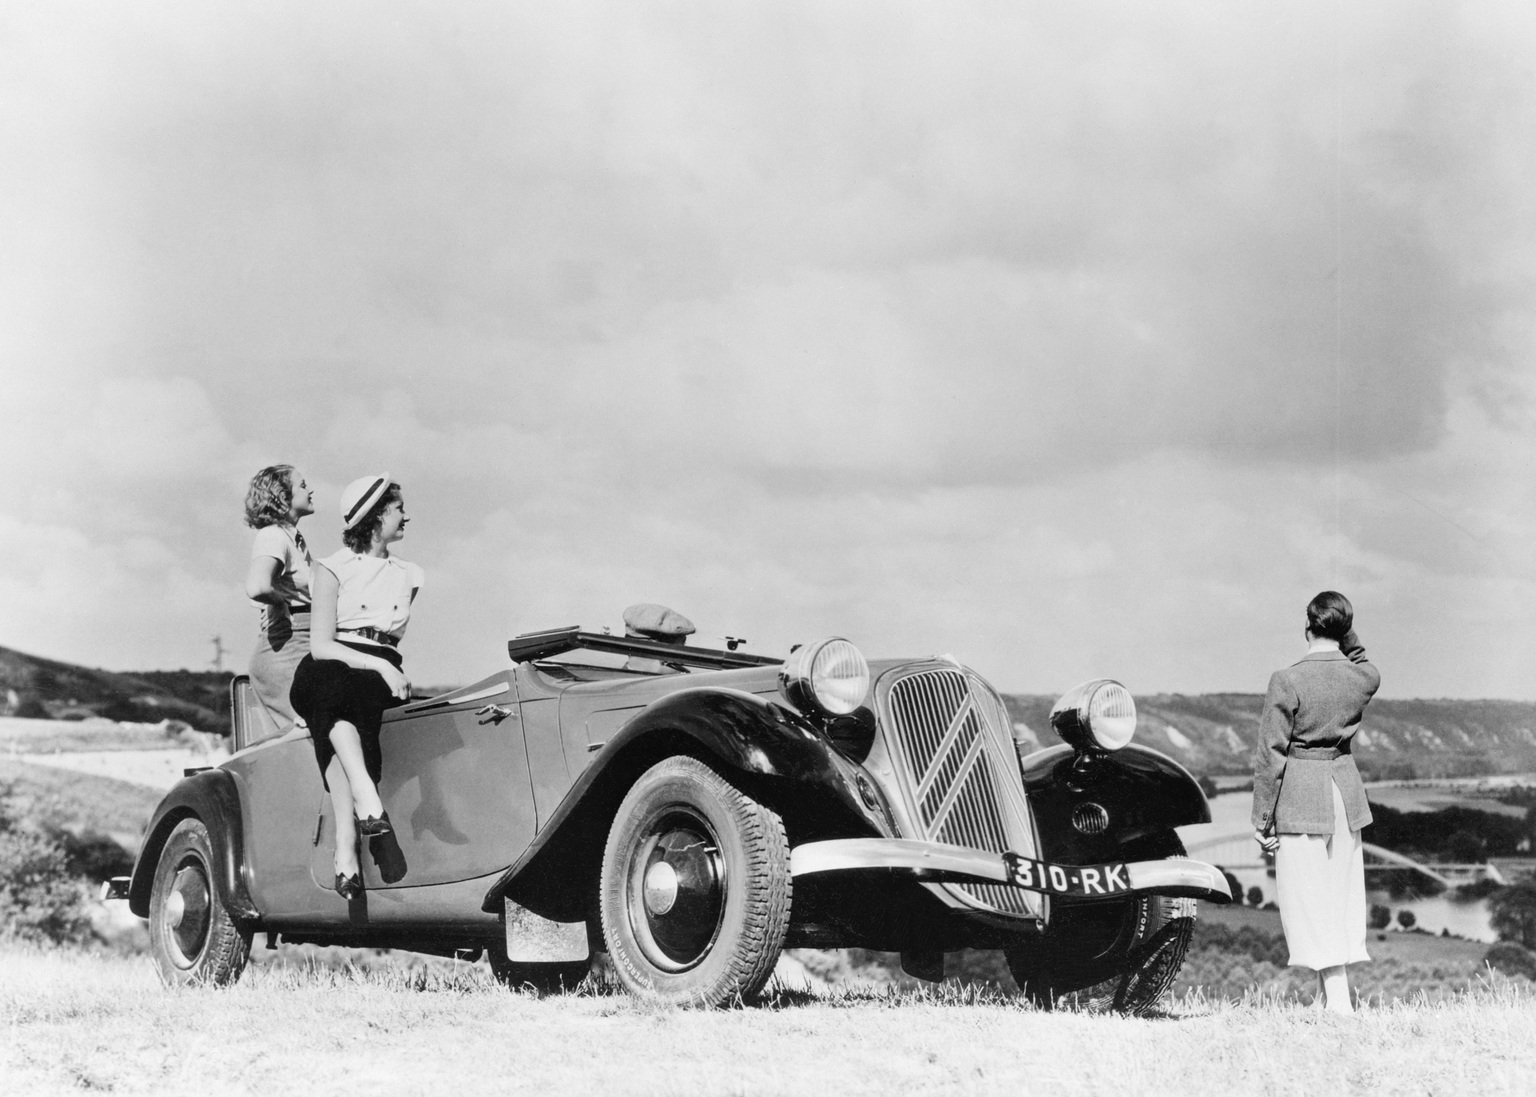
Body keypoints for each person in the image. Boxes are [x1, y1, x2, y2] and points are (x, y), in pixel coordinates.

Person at [289, 474, 423, 900]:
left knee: (336, 710)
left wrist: (384, 669)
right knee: (328, 684)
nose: (406, 516)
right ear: (375, 515)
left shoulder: (410, 574)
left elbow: (388, 642)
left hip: (375, 672)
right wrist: (378, 667)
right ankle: (368, 799)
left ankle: (346, 850)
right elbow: (323, 645)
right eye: (398, 508)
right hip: (332, 662)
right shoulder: (329, 569)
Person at [1251, 591, 1380, 1014]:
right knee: (1339, 894)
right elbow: (1360, 657)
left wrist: (1262, 819)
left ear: (1307, 626)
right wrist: (1344, 629)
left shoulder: (1286, 680)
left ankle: (1339, 1003)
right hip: (1344, 791)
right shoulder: (1362, 677)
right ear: (1343, 630)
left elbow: (1271, 755)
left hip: (1301, 796)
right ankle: (1327, 1001)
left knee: (1309, 898)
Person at [242, 465, 315, 728]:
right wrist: (281, 604)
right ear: (283, 496)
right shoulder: (273, 536)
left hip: (300, 647)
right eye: (303, 485)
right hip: (287, 651)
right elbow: (258, 586)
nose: (311, 490)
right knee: (309, 739)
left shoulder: (290, 538)